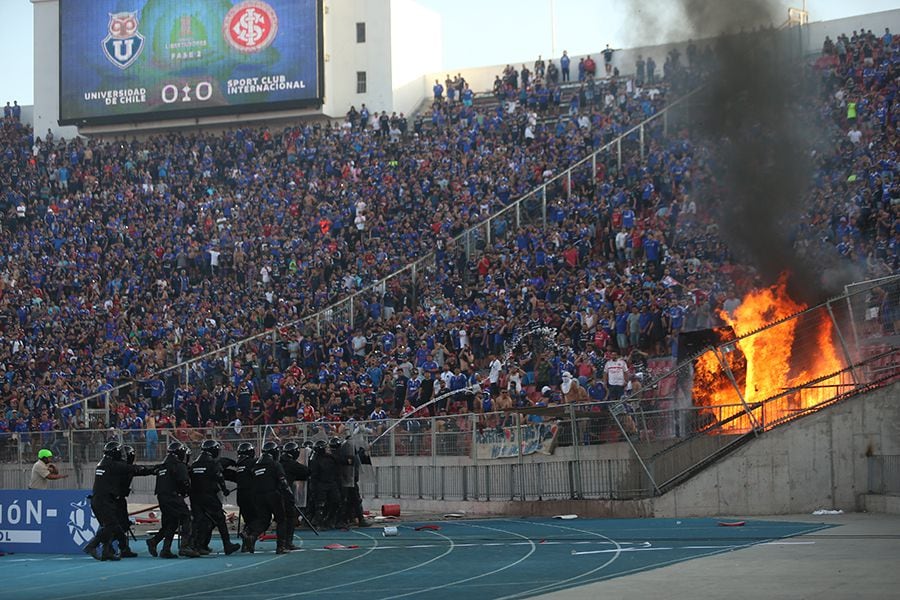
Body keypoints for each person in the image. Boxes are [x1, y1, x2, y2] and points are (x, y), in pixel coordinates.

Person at [83, 441, 155, 561]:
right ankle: (91, 546)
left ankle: (107, 552)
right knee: (111, 526)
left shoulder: (103, 463)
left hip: (101, 499)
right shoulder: (112, 465)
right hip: (104, 500)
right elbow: (134, 469)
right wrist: (154, 469)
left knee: (112, 526)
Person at [189, 439, 240, 555]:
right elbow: (219, 477)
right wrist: (225, 489)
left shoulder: (194, 464)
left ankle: (196, 545)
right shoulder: (213, 463)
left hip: (195, 497)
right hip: (209, 496)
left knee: (199, 521)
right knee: (220, 519)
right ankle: (227, 544)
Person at [244, 442, 292, 554]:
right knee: (281, 520)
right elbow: (283, 482)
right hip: (273, 495)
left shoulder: (255, 466)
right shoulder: (275, 464)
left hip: (258, 496)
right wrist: (289, 496)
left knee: (264, 520)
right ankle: (281, 546)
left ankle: (251, 535)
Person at [225, 442, 258, 552]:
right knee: (257, 518)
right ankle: (247, 533)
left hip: (241, 496)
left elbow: (236, 478)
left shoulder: (239, 466)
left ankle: (246, 544)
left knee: (247, 518)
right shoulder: (253, 463)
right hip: (251, 494)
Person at [279, 441, 309, 549]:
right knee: (290, 517)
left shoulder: (278, 462)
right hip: (285, 493)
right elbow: (306, 471)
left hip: (274, 494)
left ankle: (251, 536)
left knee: (279, 519)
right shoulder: (291, 464)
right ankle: (287, 542)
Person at [310, 438, 342, 529]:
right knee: (320, 504)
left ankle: (329, 520)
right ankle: (320, 522)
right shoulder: (316, 460)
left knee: (336, 502)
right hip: (322, 484)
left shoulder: (330, 458)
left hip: (331, 483)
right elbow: (314, 475)